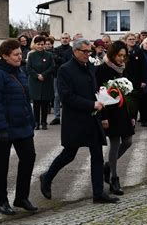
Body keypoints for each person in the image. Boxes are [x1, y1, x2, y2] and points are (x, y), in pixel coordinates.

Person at [40, 38, 119, 203]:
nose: (87, 54)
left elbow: (94, 89)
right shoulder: (65, 70)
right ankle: (46, 178)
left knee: (97, 155)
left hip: (93, 118)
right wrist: (91, 104)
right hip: (75, 120)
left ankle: (98, 193)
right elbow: (66, 97)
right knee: (68, 155)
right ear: (75, 51)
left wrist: (103, 102)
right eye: (84, 51)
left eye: (89, 51)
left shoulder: (90, 66)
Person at [0, 39, 37, 215]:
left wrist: (31, 121)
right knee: (1, 166)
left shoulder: (19, 71)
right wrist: (1, 129)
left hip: (21, 127)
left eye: (20, 53)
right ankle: (2, 202)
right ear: (5, 56)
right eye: (16, 54)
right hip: (2, 129)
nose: (19, 57)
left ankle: (21, 197)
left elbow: (25, 99)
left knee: (29, 158)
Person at [96, 41, 135, 195]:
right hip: (109, 112)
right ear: (112, 54)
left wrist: (132, 114)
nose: (121, 59)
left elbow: (127, 93)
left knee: (128, 141)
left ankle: (107, 167)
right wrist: (103, 116)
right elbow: (99, 93)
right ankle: (114, 179)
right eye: (119, 55)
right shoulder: (102, 69)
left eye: (124, 56)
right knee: (115, 144)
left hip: (122, 111)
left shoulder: (123, 69)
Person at [27, 36, 55, 130]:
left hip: (46, 81)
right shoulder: (31, 55)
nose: (40, 46)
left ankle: (44, 122)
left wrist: (43, 74)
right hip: (35, 82)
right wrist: (37, 75)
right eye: (38, 44)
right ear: (35, 45)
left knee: (45, 103)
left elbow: (52, 67)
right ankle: (36, 122)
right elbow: (29, 68)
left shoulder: (49, 55)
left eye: (42, 44)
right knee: (36, 104)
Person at [123, 32, 147, 120]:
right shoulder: (123, 51)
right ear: (125, 41)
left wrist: (144, 81)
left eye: (133, 39)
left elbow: (144, 67)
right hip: (124, 81)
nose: (132, 41)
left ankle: (133, 120)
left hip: (136, 81)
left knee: (134, 102)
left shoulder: (139, 51)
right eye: (130, 39)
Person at [50, 33, 72, 125]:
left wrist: (62, 59)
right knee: (57, 96)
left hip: (70, 76)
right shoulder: (56, 49)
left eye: (66, 38)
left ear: (69, 39)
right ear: (60, 39)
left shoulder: (73, 50)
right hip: (58, 75)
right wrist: (65, 60)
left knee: (70, 96)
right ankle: (57, 117)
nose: (65, 40)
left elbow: (72, 60)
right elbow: (55, 59)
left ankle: (69, 116)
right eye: (63, 38)